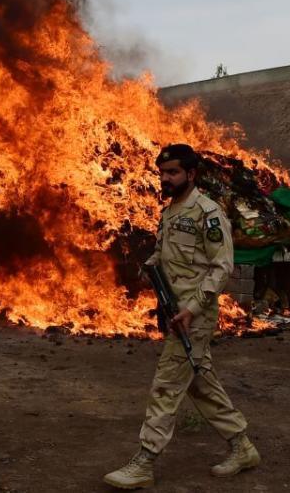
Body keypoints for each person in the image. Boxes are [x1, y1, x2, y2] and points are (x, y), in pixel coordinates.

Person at [103, 144, 259, 489]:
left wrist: (191, 309)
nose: (166, 178)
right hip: (174, 310)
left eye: (172, 172)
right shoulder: (170, 212)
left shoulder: (209, 212)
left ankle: (144, 461)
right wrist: (150, 267)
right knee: (201, 384)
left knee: (167, 385)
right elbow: (163, 253)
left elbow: (222, 268)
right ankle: (242, 446)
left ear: (191, 174)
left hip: (194, 314)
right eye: (162, 172)